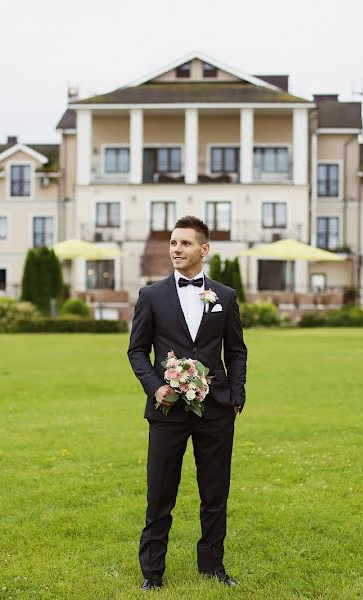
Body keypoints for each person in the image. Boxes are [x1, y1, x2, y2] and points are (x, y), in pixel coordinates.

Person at [127, 215, 248, 591]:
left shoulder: (224, 296)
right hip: (168, 411)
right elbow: (136, 350)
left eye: (185, 244)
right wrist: (155, 387)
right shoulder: (151, 295)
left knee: (215, 492)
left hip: (216, 410)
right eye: (173, 243)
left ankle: (212, 566)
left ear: (204, 249)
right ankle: (152, 574)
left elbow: (237, 350)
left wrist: (236, 395)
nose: (176, 249)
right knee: (160, 493)